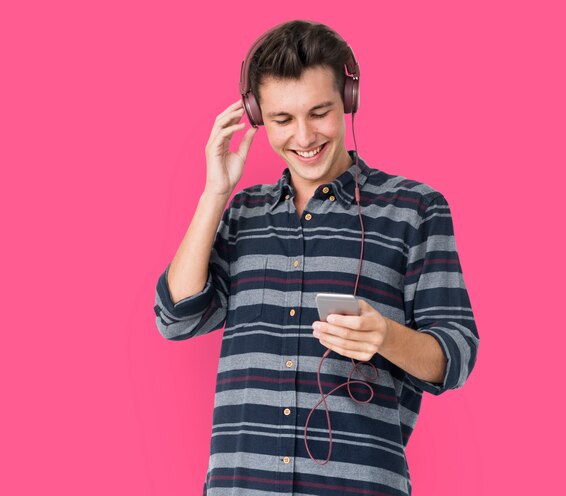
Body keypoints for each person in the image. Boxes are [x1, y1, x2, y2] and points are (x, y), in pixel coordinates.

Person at [153, 19, 479, 496]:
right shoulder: (242, 213)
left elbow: (456, 353)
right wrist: (214, 193)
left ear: (348, 101)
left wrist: (386, 337)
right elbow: (176, 317)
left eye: (320, 112)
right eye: (283, 120)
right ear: (258, 115)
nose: (303, 137)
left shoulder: (415, 210)